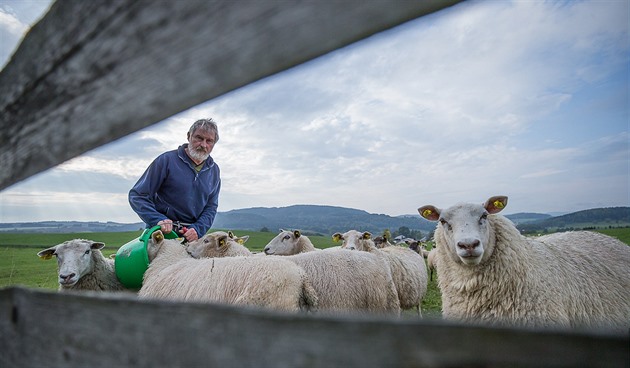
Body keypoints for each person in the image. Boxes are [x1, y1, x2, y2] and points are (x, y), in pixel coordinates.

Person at [129, 118, 221, 242]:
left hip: (192, 237)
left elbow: (211, 207)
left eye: (209, 141)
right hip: (161, 235)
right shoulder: (166, 161)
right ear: (189, 136)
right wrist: (158, 220)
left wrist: (198, 229)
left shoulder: (214, 171)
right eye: (199, 138)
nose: (203, 145)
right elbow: (138, 195)